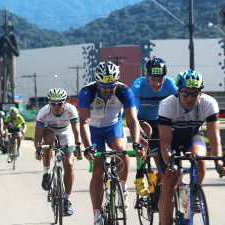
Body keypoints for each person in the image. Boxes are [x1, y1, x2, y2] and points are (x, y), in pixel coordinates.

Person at [78, 61, 144, 225]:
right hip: (93, 129)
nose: (107, 89)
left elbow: (132, 121)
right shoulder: (87, 92)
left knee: (121, 149)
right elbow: (84, 122)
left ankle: (122, 187)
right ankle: (97, 214)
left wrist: (136, 142)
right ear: (97, 82)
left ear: (117, 82)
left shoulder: (124, 91)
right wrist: (87, 147)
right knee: (98, 170)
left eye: (111, 85)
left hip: (112, 127)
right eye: (103, 86)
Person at [158, 69, 225, 225]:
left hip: (193, 136)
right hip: (171, 141)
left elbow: (214, 138)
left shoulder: (209, 104)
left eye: (194, 94)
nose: (190, 98)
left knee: (200, 160)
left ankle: (194, 193)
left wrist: (218, 163)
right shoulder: (167, 105)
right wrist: (170, 163)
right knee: (170, 181)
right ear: (178, 91)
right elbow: (165, 141)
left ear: (200, 93)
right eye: (185, 93)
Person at [131, 57, 178, 196]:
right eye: (153, 79)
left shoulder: (170, 84)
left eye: (160, 79)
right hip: (139, 119)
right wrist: (139, 133)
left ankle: (161, 180)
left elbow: (179, 104)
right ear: (146, 77)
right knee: (146, 133)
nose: (157, 84)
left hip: (159, 120)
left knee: (160, 153)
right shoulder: (138, 85)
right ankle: (139, 177)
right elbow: (133, 113)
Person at [34, 88, 81, 216]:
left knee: (69, 164)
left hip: (66, 131)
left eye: (59, 103)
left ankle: (67, 200)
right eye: (53, 103)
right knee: (48, 139)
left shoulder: (71, 110)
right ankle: (47, 172)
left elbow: (77, 132)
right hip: (50, 130)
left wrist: (78, 146)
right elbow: (38, 136)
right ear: (49, 103)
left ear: (64, 103)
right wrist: (38, 150)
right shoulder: (43, 112)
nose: (56, 106)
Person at [0, 21, 20, 103]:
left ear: (10, 28)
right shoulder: (2, 38)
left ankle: (13, 99)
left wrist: (9, 43)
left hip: (12, 57)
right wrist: (3, 49)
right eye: (5, 28)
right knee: (4, 79)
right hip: (5, 58)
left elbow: (17, 53)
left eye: (8, 28)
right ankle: (4, 99)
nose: (6, 29)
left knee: (12, 78)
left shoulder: (13, 36)